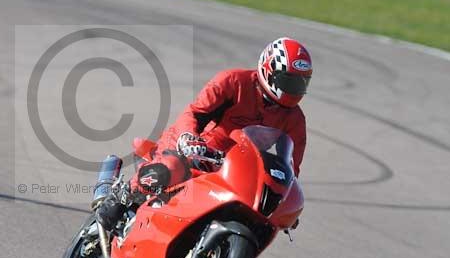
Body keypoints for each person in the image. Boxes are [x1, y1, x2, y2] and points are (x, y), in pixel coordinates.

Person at [97, 37, 313, 230]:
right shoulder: (233, 81)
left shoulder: (295, 120)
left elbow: (291, 169)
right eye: (290, 82)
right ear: (269, 70)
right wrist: (188, 137)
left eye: (302, 83)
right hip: (195, 147)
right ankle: (121, 196)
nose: (295, 90)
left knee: (254, 214)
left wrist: (285, 199)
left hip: (233, 168)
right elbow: (195, 112)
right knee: (171, 168)